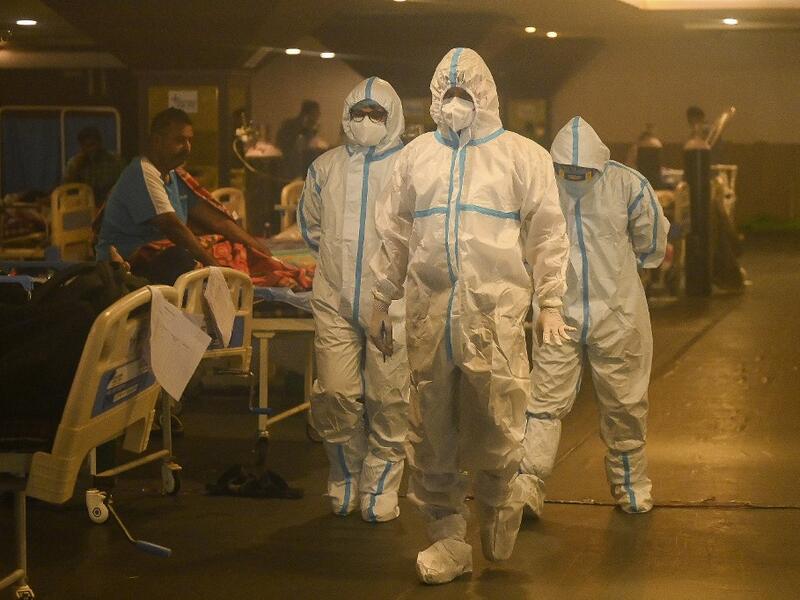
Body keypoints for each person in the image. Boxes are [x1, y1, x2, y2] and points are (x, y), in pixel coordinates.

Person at [367, 48, 571, 584]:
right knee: (429, 428)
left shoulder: (522, 156)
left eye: (464, 95)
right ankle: (448, 539)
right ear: (435, 96)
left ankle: (500, 504)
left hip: (494, 315)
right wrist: (379, 298)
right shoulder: (415, 158)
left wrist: (551, 300)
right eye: (446, 94)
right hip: (429, 315)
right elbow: (393, 232)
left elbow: (548, 233)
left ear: (484, 96)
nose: (454, 104)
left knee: (499, 419)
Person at [521, 117, 669, 517]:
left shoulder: (627, 185)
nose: (574, 177)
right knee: (544, 399)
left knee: (624, 402)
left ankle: (631, 486)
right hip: (558, 312)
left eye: (582, 172)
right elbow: (524, 241)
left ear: (599, 164)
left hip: (617, 314)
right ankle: (528, 486)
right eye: (567, 170)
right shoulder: (540, 186)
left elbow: (652, 239)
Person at [297, 77, 409, 523]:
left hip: (392, 303)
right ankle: (346, 472)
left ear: (392, 117)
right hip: (335, 298)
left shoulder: (410, 165)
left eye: (376, 114)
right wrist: (341, 267)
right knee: (336, 392)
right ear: (346, 116)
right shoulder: (325, 167)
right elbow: (312, 228)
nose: (366, 122)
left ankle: (381, 483)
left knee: (389, 395)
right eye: (358, 113)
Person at [95, 107, 271, 284]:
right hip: (127, 268)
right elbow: (174, 228)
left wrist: (263, 251)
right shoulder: (142, 173)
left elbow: (217, 221)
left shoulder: (175, 176)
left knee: (235, 246)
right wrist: (220, 273)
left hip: (159, 261)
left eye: (189, 141)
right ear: (157, 141)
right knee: (181, 258)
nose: (187, 147)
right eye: (179, 140)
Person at [63, 126, 123, 208]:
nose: (90, 149)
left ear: (100, 143)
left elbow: (124, 186)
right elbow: (67, 190)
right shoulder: (74, 164)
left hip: (109, 206)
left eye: (92, 145)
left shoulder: (115, 161)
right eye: (85, 146)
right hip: (83, 207)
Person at [277, 100, 324, 180]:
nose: (318, 116)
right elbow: (293, 148)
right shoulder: (291, 126)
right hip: (292, 170)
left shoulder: (308, 128)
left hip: (302, 170)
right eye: (316, 113)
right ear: (309, 113)